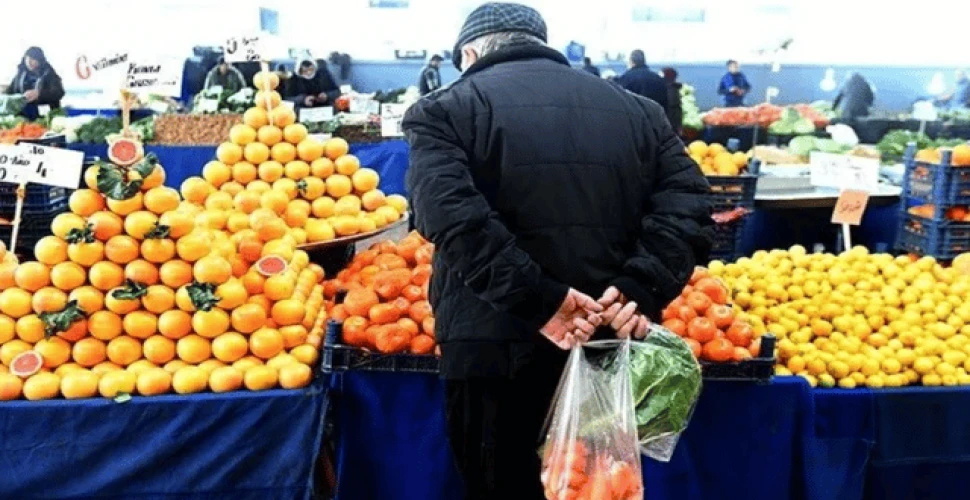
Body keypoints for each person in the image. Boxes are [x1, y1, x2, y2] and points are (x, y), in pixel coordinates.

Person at [402, 3, 714, 498]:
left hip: (490, 346)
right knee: (593, 486)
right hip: (606, 345)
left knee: (498, 484)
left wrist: (540, 300)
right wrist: (639, 288)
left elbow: (448, 216)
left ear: (469, 52)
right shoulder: (640, 112)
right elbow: (691, 206)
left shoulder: (443, 109)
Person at [4, 46, 64, 119]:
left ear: (40, 61)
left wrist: (39, 94)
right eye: (28, 59)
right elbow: (11, 90)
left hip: (45, 115)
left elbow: (59, 92)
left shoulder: (49, 73)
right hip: (23, 116)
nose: (30, 62)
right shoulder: (21, 73)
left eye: (34, 59)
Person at [662, 67, 683, 134]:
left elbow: (673, 107)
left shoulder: (669, 89)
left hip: (669, 122)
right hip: (673, 122)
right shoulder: (676, 89)